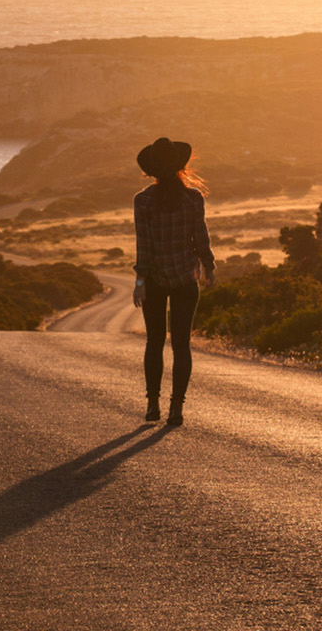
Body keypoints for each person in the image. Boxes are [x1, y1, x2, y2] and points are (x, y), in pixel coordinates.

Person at [131, 137, 215, 426]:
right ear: (180, 166)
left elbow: (144, 246)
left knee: (154, 342)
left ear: (151, 171)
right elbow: (201, 238)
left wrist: (140, 281)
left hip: (154, 279)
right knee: (181, 345)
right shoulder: (193, 198)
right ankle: (176, 408)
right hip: (185, 280)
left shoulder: (142, 201)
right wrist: (209, 267)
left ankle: (152, 404)